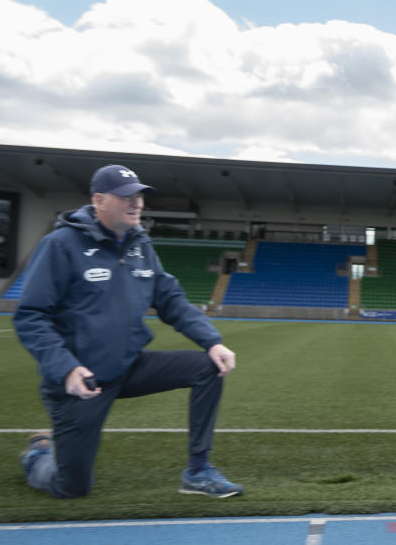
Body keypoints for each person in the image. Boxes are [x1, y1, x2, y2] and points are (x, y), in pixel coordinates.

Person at [13, 164, 243, 499]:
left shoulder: (140, 245)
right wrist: (66, 369)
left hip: (129, 366)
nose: (136, 203)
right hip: (83, 379)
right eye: (125, 197)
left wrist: (212, 342)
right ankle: (38, 456)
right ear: (99, 200)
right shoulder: (60, 245)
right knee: (72, 487)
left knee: (209, 367)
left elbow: (170, 299)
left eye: (139, 196)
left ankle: (198, 471)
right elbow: (31, 316)